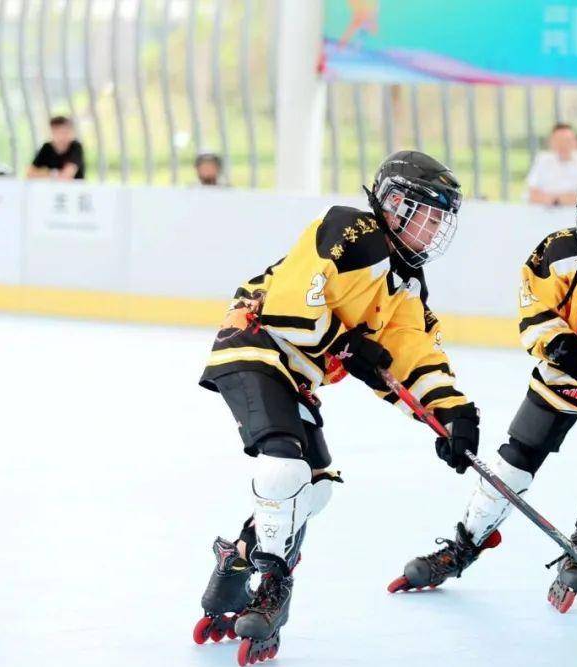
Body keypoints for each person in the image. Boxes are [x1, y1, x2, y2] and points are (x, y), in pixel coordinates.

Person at [192, 150, 479, 664]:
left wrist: (453, 413)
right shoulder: (350, 229)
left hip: (297, 376)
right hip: (255, 343)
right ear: (392, 204)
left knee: (316, 489)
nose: (434, 227)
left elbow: (413, 357)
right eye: (425, 213)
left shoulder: (407, 283)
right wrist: (350, 347)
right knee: (283, 466)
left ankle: (237, 555)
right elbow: (288, 310)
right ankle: (272, 586)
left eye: (442, 218)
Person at [391, 166, 577, 614]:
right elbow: (534, 308)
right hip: (564, 377)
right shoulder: (557, 251)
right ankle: (464, 544)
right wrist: (563, 345)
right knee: (509, 468)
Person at [526, 123, 577, 207]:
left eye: (567, 140)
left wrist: (554, 199)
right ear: (550, 142)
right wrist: (563, 199)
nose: (563, 145)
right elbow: (533, 195)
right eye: (558, 141)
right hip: (543, 214)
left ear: (576, 142)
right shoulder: (542, 160)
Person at [27, 116, 85, 180]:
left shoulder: (76, 146)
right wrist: (54, 174)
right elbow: (30, 173)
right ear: (52, 132)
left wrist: (46, 174)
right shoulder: (47, 147)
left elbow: (66, 176)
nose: (63, 136)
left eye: (66, 132)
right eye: (59, 132)